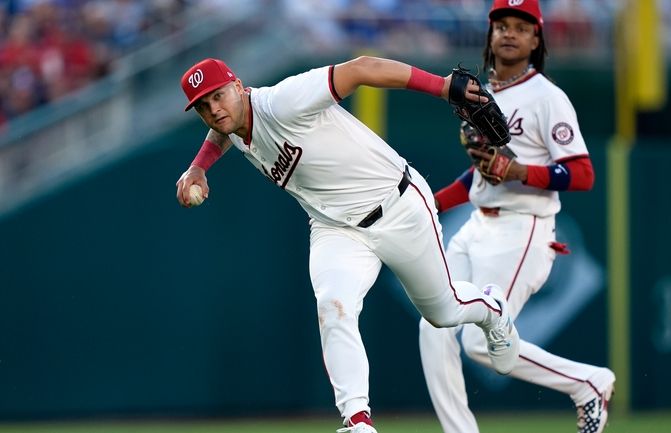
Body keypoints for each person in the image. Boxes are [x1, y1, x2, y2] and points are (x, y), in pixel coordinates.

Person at [174, 55, 521, 433]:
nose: (214, 109)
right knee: (333, 306)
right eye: (203, 106)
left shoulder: (282, 101)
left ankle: (492, 310)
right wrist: (198, 167)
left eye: (219, 96)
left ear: (239, 86)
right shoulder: (233, 117)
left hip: (397, 205)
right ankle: (358, 421)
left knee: (444, 312)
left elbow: (361, 69)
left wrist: (440, 86)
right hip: (334, 228)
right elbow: (224, 129)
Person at [418, 1, 616, 433]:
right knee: (433, 321)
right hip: (476, 226)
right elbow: (480, 177)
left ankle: (588, 383)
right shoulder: (484, 97)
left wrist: (521, 170)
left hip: (522, 229)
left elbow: (583, 173)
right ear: (490, 36)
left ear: (536, 38)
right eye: (501, 25)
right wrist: (429, 203)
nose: (509, 33)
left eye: (521, 27)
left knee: (479, 345)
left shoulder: (547, 97)